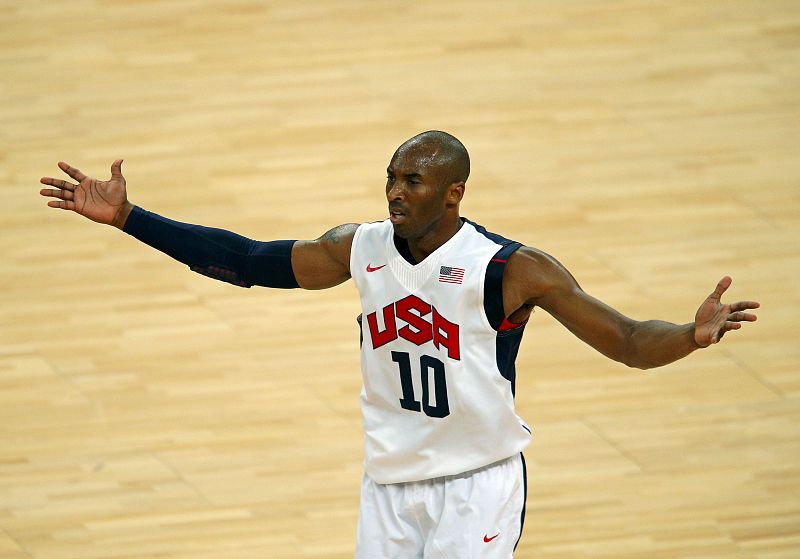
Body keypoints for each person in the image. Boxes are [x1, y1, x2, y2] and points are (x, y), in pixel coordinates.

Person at [40, 130, 759, 558]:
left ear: (455, 193)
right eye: (390, 177)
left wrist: (691, 337)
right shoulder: (360, 248)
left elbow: (629, 341)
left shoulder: (511, 269)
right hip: (388, 483)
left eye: (413, 180)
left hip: (477, 484)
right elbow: (248, 262)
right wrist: (131, 217)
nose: (394, 191)